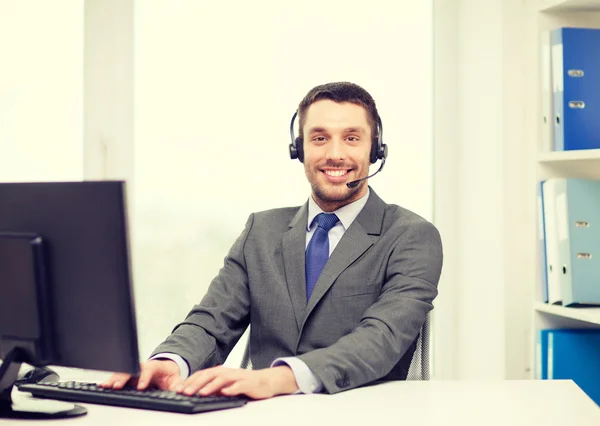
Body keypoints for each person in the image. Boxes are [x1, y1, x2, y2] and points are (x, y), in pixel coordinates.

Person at [101, 81, 443, 399]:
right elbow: (212, 321)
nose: (335, 154)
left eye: (352, 138)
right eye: (320, 138)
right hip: (265, 414)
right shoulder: (261, 231)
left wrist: (277, 379)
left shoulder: (411, 236)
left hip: (360, 413)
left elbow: (381, 339)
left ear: (375, 149)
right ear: (299, 148)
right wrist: (171, 361)